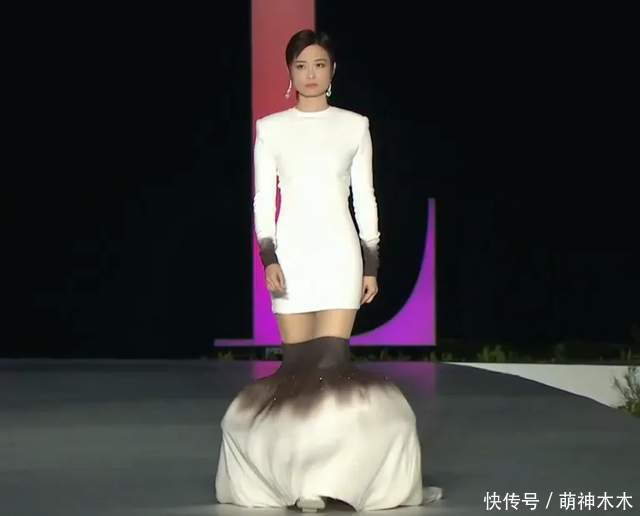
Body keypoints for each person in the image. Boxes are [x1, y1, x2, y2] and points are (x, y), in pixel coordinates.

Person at [215, 29, 443, 512]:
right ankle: (297, 479)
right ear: (290, 72)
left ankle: (331, 481)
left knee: (330, 365)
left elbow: (366, 197)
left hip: (340, 253)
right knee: (298, 371)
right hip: (292, 255)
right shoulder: (271, 129)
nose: (310, 74)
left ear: (333, 70)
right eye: (301, 66)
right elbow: (262, 200)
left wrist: (371, 262)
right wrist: (269, 256)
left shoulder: (354, 126)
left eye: (319, 64)